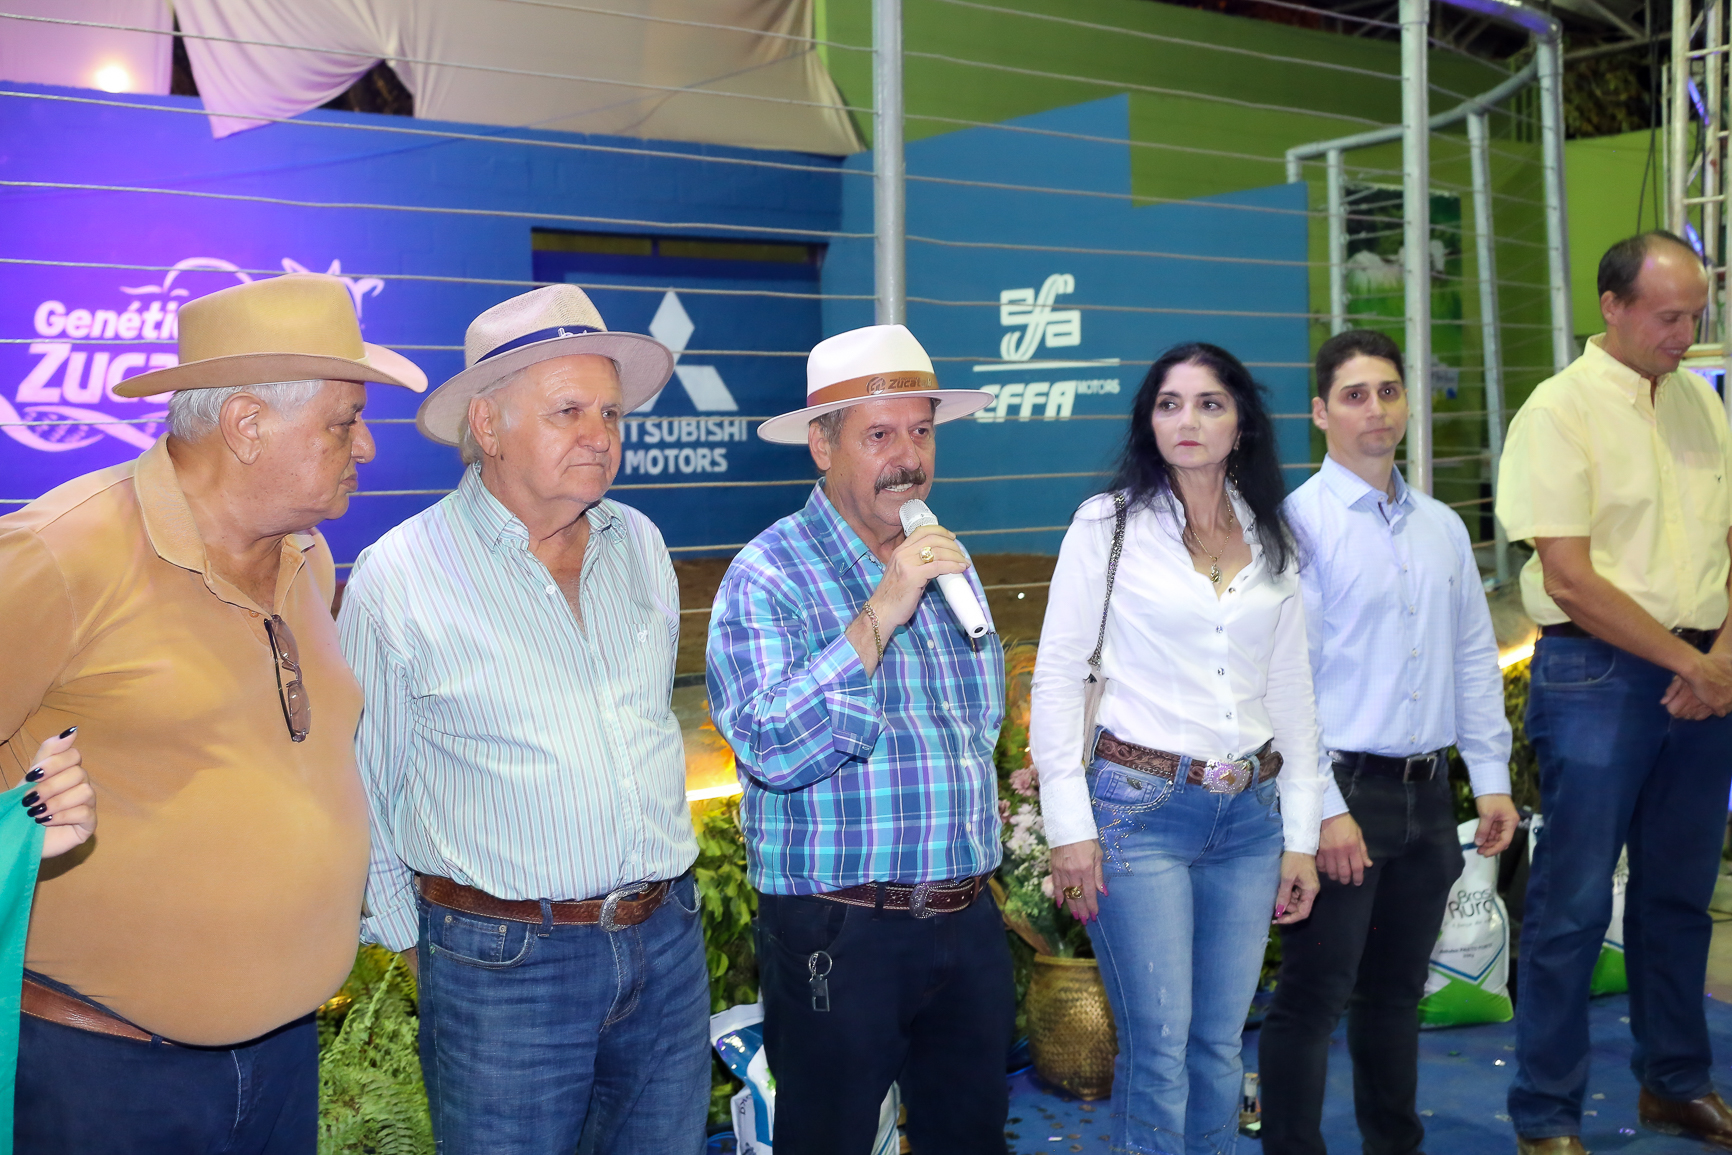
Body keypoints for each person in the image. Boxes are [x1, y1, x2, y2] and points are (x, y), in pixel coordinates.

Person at [0, 271, 426, 1154]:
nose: (366, 445)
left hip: (282, 1060)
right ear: (246, 424)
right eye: (344, 422)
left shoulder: (307, 557)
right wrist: (23, 814)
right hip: (101, 1077)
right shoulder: (59, 554)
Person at [340, 284, 708, 1155]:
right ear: (488, 425)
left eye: (611, 412)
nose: (601, 434)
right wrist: (426, 949)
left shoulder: (640, 545)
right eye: (569, 411)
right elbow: (361, 786)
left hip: (666, 943)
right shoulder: (400, 577)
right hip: (503, 966)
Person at [707, 324, 1006, 1155]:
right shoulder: (768, 573)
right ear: (821, 445)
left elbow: (979, 724)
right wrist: (881, 608)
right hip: (840, 931)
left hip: (966, 919)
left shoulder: (948, 560)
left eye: (922, 431)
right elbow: (770, 744)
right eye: (879, 435)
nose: (908, 457)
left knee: (972, 1139)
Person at [1033, 341, 1323, 1155]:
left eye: (1208, 403)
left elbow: (1293, 695)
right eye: (1169, 403)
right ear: (1149, 421)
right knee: (1159, 1048)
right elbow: (1057, 676)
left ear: (1242, 423)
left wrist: (1301, 836)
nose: (1187, 419)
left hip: (1252, 819)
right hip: (1138, 810)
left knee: (1219, 1045)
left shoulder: (1274, 535)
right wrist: (1069, 825)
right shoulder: (1108, 525)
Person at [1256, 329, 1518, 1155]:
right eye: (1354, 394)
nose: (1375, 409)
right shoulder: (1296, 526)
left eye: (1388, 390)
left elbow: (1472, 655)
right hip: (1341, 794)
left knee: (1397, 995)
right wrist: (1324, 811)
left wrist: (1491, 777)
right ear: (1319, 413)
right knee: (1311, 998)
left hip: (1429, 795)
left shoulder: (1442, 527)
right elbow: (1284, 684)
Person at [1498, 231, 1732, 1155]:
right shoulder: (1558, 410)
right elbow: (1568, 577)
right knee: (1573, 905)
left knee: (1679, 897)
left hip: (1704, 671)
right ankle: (1546, 1115)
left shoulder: (1702, 402)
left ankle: (1676, 1084)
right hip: (1596, 672)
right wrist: (1692, 665)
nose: (1686, 334)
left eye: (1696, 316)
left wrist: (1719, 658)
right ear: (1612, 305)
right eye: (1669, 316)